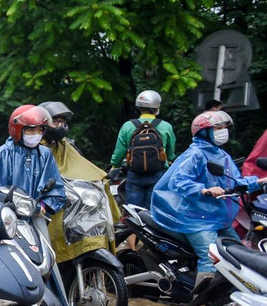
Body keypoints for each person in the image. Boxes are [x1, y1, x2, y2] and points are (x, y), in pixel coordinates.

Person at [151, 110, 262, 282]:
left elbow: (235, 182)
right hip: (196, 219)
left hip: (217, 217)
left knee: (241, 255)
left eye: (225, 127)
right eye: (218, 127)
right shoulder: (195, 154)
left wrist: (260, 181)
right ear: (204, 131)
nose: (223, 130)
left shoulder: (222, 155)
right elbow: (179, 180)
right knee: (210, 258)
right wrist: (204, 190)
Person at [39, 100, 121, 265]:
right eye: (56, 121)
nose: (61, 125)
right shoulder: (36, 147)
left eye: (63, 121)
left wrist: (102, 176)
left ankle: (93, 242)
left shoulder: (66, 145)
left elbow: (82, 167)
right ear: (44, 122)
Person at [0, 105, 65, 216]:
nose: (36, 134)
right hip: (4, 215)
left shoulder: (45, 154)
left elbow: (56, 188)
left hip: (35, 216)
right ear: (17, 130)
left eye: (40, 129)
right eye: (31, 129)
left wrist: (43, 205)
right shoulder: (2, 154)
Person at [110, 90, 177, 209]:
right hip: (158, 173)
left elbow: (119, 152)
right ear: (156, 107)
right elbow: (171, 152)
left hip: (135, 173)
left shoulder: (127, 126)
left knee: (133, 211)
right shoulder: (166, 126)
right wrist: (171, 159)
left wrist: (114, 165)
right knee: (154, 210)